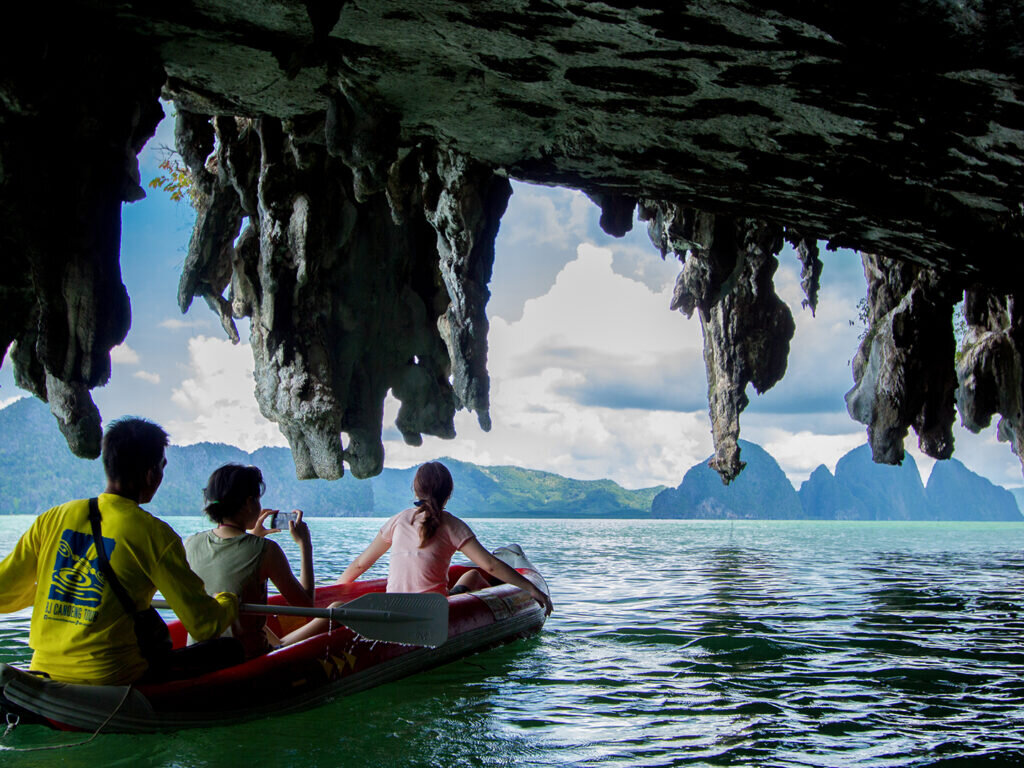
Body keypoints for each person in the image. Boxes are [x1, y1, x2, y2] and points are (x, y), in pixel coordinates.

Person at [0, 417, 239, 685]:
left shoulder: (51, 519)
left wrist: (48, 590)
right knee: (229, 650)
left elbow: (3, 593)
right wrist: (228, 600)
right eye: (162, 467)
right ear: (151, 474)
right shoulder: (154, 533)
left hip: (43, 669)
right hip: (113, 678)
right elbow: (204, 625)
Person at [284, 461, 551, 645]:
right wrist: (531, 589)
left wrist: (338, 589)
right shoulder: (453, 525)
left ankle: (284, 642)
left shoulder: (400, 520)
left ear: (415, 490)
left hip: (395, 611)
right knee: (475, 576)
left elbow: (361, 564)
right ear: (449, 494)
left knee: (337, 609)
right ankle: (281, 645)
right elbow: (490, 566)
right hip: (429, 615)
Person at [184, 464, 314, 657]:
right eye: (258, 500)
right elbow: (306, 607)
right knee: (336, 610)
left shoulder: (190, 543)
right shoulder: (266, 550)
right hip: (246, 658)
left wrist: (252, 536)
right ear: (249, 503)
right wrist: (305, 545)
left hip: (198, 655)